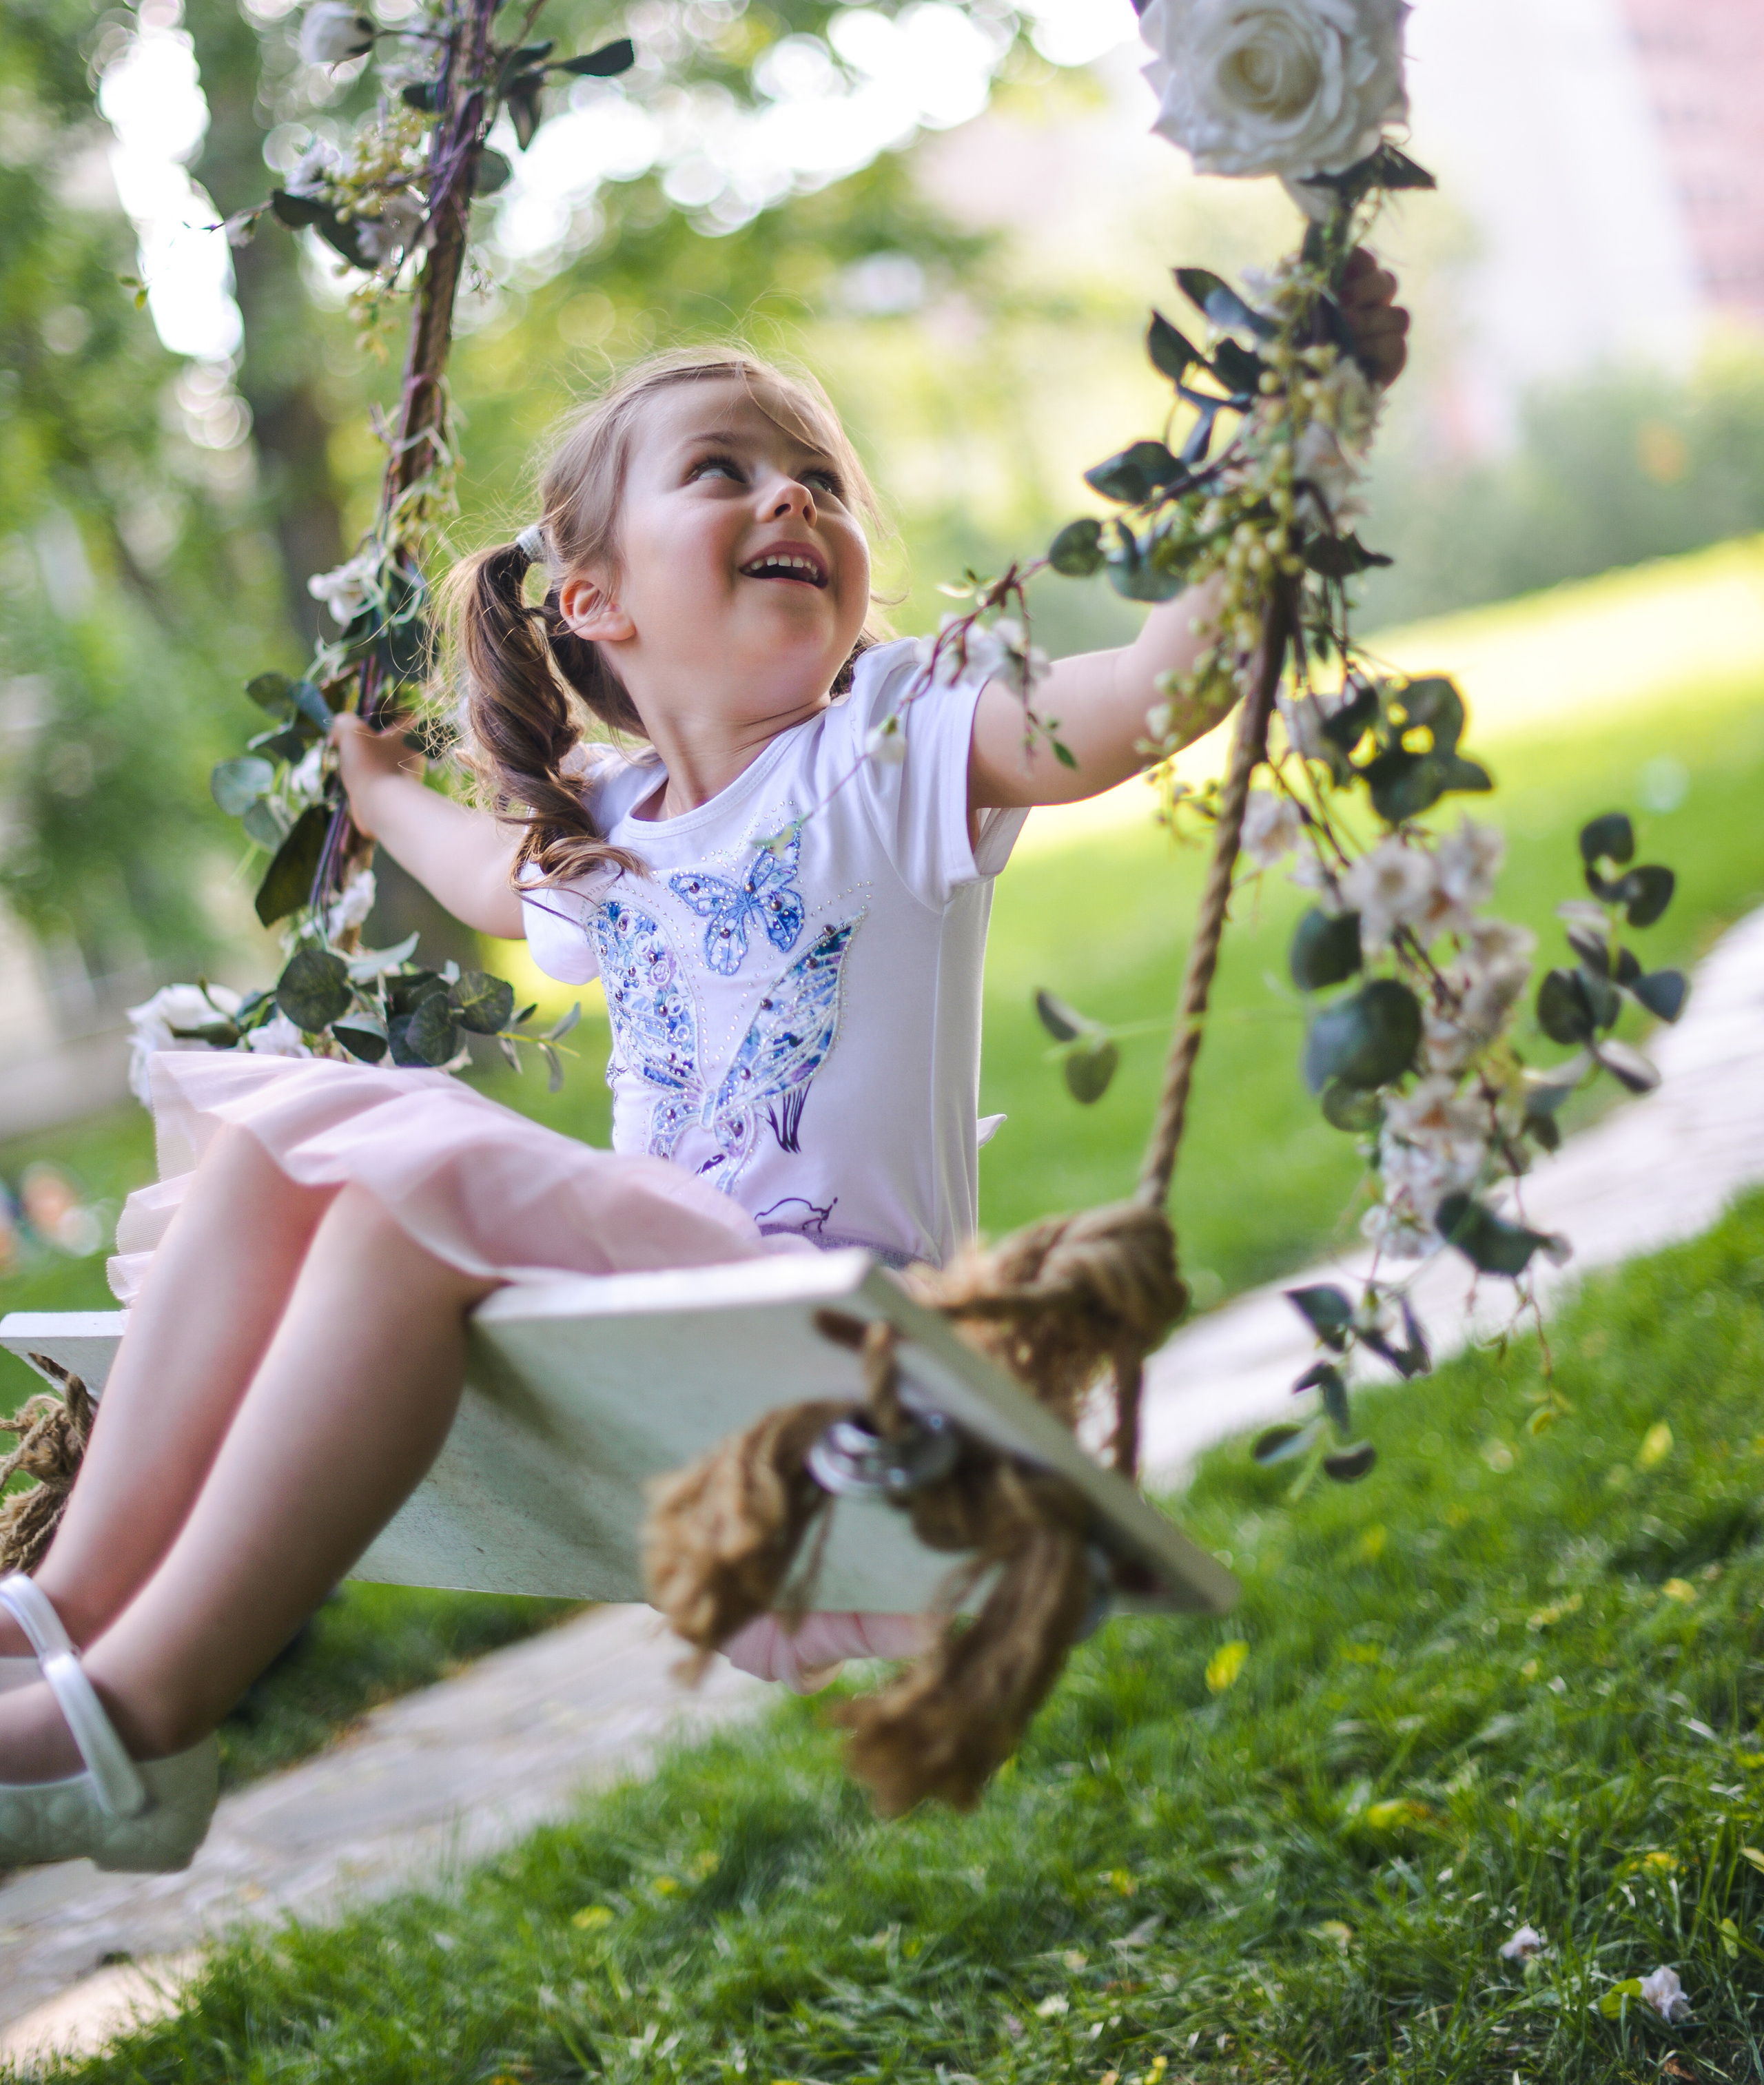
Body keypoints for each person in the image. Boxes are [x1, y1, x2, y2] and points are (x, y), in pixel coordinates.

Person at [0, 285, 1407, 1871]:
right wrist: (378, 796)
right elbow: (483, 872)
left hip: (811, 1346)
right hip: (657, 1332)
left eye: (814, 476)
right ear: (592, 600)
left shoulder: (893, 748)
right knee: (285, 1150)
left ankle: (139, 1712)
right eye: (724, 470)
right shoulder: (613, 829)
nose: (791, 492)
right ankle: (58, 1629)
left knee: (399, 1179)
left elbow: (1149, 699)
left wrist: (1290, 446)